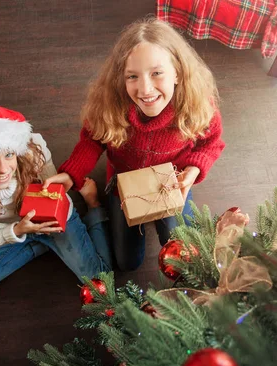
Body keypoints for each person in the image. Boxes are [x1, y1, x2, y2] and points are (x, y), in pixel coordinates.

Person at [44, 18, 225, 271]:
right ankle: (98, 204)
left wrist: (192, 171)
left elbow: (211, 144)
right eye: (132, 76)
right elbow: (92, 139)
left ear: (177, 71)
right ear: (121, 77)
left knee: (182, 253)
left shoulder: (198, 107)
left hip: (172, 182)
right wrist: (70, 173)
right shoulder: (110, 106)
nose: (145, 89)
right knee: (128, 263)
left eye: (157, 73)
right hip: (123, 185)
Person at [0, 99, 112, 292]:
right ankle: (40, 245)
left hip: (53, 220)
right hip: (14, 228)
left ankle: (93, 205)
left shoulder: (32, 152)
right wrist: (16, 231)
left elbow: (57, 197)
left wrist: (50, 218)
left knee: (101, 285)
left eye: (9, 155)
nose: (3, 169)